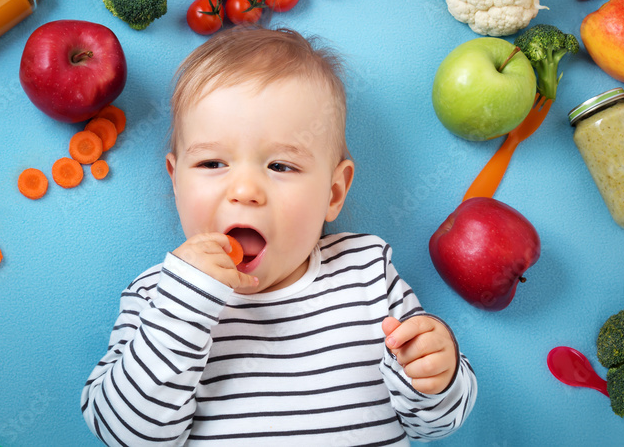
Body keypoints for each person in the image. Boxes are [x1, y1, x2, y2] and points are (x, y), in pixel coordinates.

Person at [81, 26, 476, 446]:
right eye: (213, 163)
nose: (246, 191)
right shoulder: (159, 295)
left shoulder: (366, 272)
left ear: (333, 193)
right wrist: (184, 307)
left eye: (281, 167)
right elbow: (125, 436)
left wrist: (436, 373)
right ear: (176, 181)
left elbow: (432, 425)